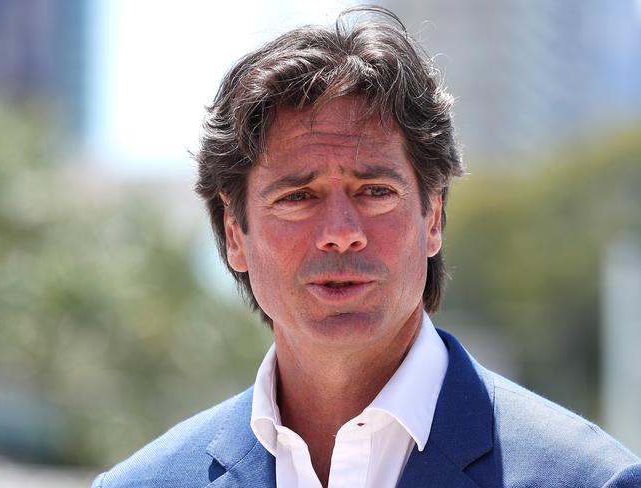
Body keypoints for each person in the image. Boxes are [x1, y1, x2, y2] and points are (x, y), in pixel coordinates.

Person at [92, 6, 641, 488]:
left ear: (434, 217)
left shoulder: (591, 479)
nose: (340, 229)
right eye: (297, 196)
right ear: (235, 234)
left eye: (375, 191)